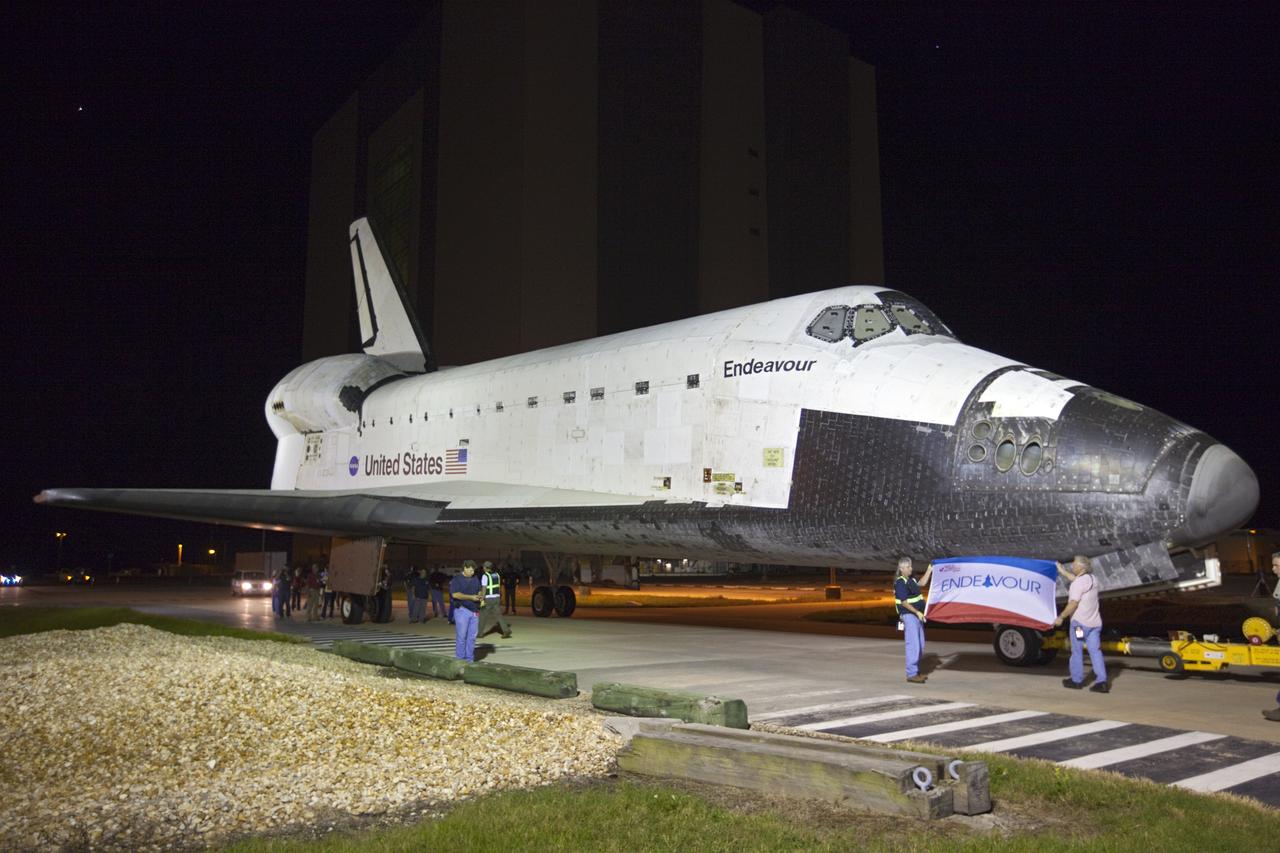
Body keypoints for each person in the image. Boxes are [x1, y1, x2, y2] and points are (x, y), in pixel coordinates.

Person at [1055, 555, 1108, 693]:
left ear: (1081, 567)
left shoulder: (1077, 584)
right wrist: (1062, 571)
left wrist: (1061, 617)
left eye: (1074, 564)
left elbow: (1073, 603)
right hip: (1094, 625)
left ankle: (1076, 680)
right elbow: (1077, 581)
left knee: (1077, 650)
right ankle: (1102, 682)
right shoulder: (1092, 579)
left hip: (1080, 626)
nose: (1072, 566)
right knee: (1095, 651)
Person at [894, 556, 934, 683]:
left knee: (920, 644)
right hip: (909, 615)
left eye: (911, 566)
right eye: (908, 567)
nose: (911, 568)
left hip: (917, 616)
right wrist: (917, 612)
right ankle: (911, 673)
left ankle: (915, 670)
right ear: (902, 569)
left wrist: (929, 570)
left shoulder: (910, 579)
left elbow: (921, 583)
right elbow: (904, 603)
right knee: (913, 644)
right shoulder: (900, 583)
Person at [449, 560, 484, 662]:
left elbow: (479, 589)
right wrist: (471, 597)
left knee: (472, 638)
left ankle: (469, 659)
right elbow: (455, 594)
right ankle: (460, 659)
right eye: (470, 570)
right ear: (465, 568)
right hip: (462, 610)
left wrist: (480, 595)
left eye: (473, 570)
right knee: (462, 637)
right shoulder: (457, 579)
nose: (472, 572)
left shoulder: (475, 578)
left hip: (475, 611)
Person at [478, 561, 513, 639]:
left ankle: (480, 633)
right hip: (496, 597)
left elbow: (484, 587)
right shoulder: (497, 575)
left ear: (486, 568)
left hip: (488, 598)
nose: (483, 568)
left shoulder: (485, 576)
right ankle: (506, 630)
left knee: (482, 616)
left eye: (483, 567)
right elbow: (498, 586)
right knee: (499, 615)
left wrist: (482, 598)